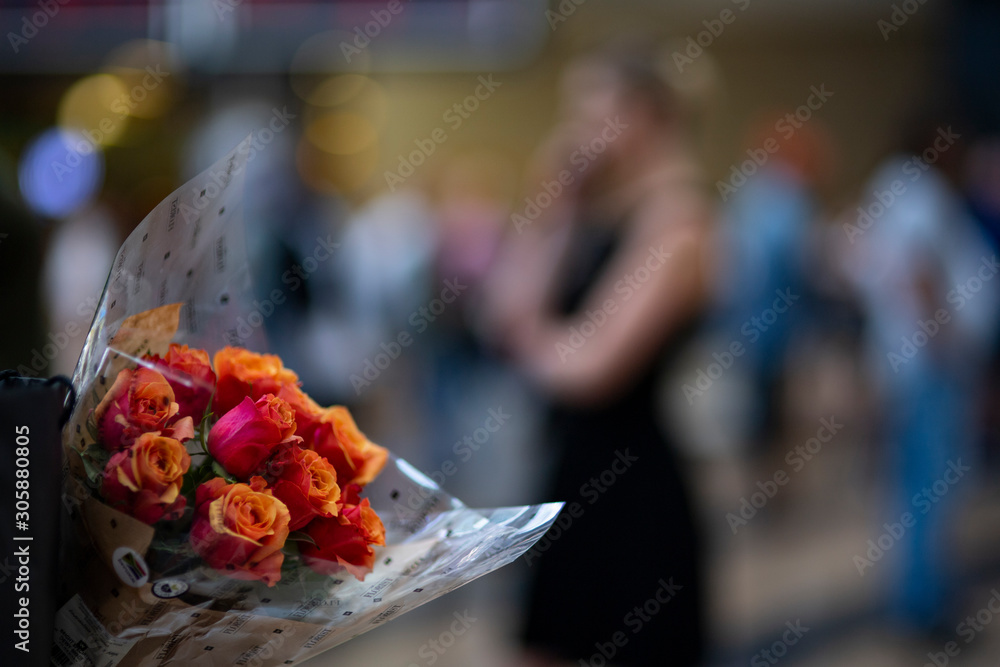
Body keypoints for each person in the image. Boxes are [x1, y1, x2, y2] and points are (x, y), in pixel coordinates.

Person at [482, 44, 713, 666]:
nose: (573, 131)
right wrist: (552, 202)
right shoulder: (595, 210)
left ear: (640, 115)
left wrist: (527, 340)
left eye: (588, 110)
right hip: (573, 466)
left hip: (633, 489)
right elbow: (505, 307)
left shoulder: (679, 221)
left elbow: (592, 367)